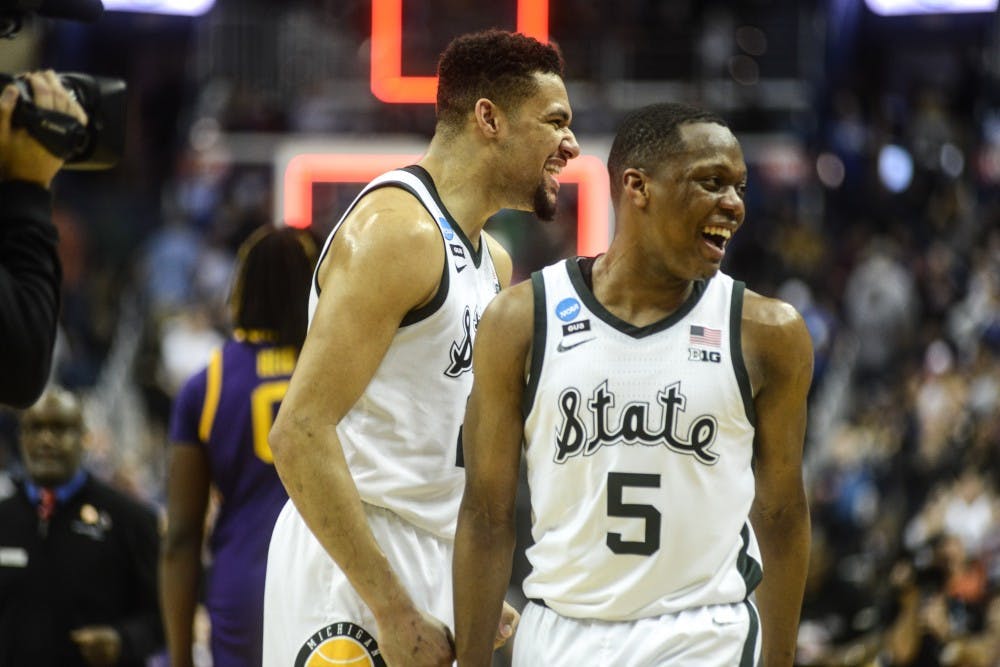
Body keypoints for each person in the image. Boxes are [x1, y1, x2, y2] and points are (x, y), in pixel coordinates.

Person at [453, 102, 813, 666]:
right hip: (561, 635)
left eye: (739, 187)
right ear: (637, 186)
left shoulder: (769, 333)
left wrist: (781, 659)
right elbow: (485, 514)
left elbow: (782, 515)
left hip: (705, 636)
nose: (735, 205)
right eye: (712, 182)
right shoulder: (522, 319)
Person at [263, 28, 580, 666]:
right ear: (488, 118)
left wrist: (461, 576)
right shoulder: (397, 231)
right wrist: (391, 605)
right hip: (352, 564)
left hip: (428, 556)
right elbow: (298, 432)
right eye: (555, 122)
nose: (570, 144)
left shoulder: (493, 260)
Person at [160, 225, 319, 667]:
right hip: (326, 577)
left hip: (243, 582)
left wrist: (179, 658)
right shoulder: (339, 369)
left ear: (241, 289)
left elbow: (181, 537)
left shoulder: (206, 382)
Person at [0, 385, 163, 666]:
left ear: (84, 437)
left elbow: (166, 615)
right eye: (35, 429)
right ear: (21, 437)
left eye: (60, 428)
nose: (46, 440)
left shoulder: (131, 519)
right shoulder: (4, 518)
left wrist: (123, 640)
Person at [0, 72, 88, 407]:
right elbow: (19, 368)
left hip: (61, 289)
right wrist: (27, 190)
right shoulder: (64, 221)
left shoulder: (70, 223)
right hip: (50, 287)